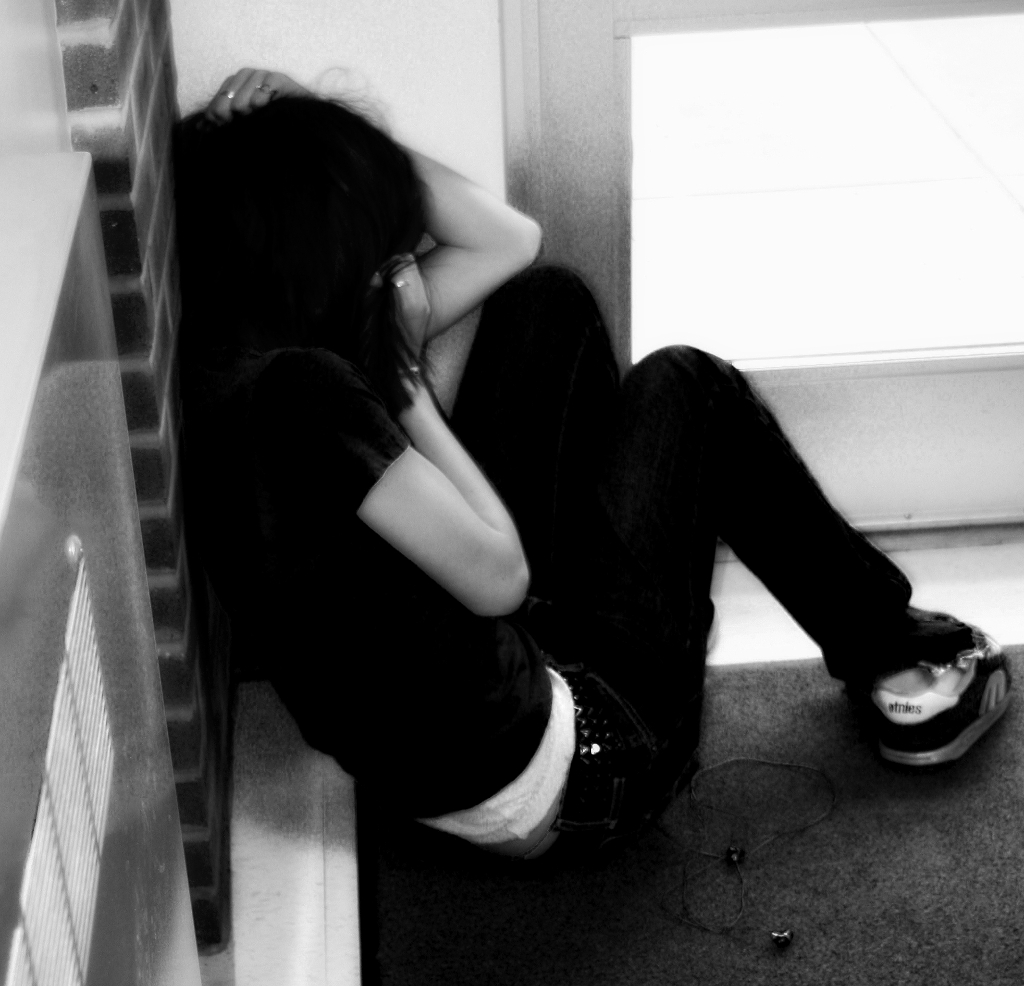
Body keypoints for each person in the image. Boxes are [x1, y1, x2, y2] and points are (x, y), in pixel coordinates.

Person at [174, 68, 1012, 861]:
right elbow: (499, 580)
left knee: (547, 303)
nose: (395, 264)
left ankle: (622, 582)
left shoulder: (230, 366)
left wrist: (310, 132)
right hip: (591, 763)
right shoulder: (312, 394)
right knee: (688, 385)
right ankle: (893, 650)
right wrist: (403, 384)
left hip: (464, 719)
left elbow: (510, 241)